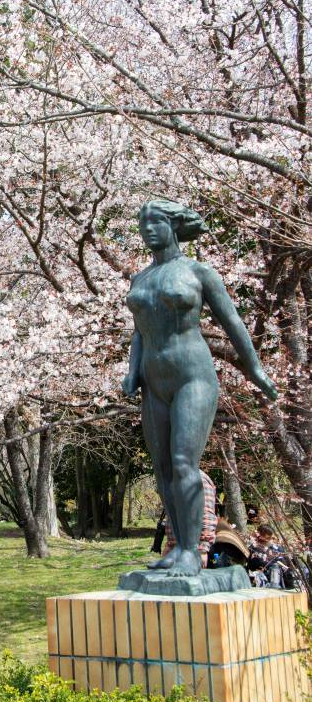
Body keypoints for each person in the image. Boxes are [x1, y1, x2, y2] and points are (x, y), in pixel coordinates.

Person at [123, 200, 277, 577]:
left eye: (156, 221)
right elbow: (139, 331)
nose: (148, 229)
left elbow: (232, 322)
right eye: (143, 223)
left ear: (174, 226)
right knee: (161, 470)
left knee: (182, 462)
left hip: (193, 374)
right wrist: (131, 371)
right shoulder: (139, 279)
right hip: (152, 380)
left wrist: (255, 368)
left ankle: (192, 550)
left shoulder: (198, 272)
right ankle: (176, 548)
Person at [161, 470, 217, 566]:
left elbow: (206, 514)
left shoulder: (197, 479)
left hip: (193, 551)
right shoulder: (178, 480)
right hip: (177, 550)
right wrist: (169, 545)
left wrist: (202, 549)